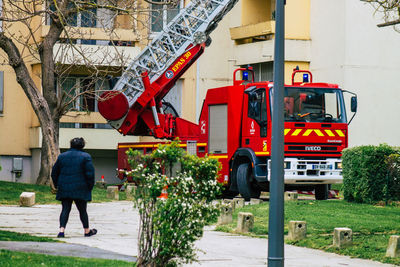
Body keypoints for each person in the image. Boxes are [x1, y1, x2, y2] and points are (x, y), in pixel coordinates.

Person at [51, 137, 97, 238]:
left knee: (65, 209)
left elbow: (54, 172)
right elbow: (90, 174)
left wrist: (57, 185)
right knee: (82, 210)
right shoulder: (86, 157)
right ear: (82, 145)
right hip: (81, 188)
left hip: (65, 187)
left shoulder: (62, 156)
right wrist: (89, 187)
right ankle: (86, 230)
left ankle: (61, 230)